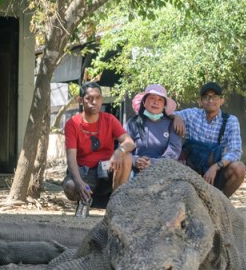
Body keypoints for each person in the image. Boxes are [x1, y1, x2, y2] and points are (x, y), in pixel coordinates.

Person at [62, 81, 135, 213]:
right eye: (89, 98)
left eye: (97, 98)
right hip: (84, 172)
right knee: (70, 186)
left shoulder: (110, 119)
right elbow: (71, 158)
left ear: (101, 99)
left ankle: (116, 204)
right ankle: (84, 201)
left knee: (127, 157)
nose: (94, 102)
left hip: (106, 169)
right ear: (80, 100)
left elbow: (130, 142)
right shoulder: (72, 123)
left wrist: (119, 151)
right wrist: (79, 182)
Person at [174, 81, 246, 197]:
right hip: (190, 169)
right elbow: (167, 114)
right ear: (200, 101)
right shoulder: (192, 114)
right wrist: (176, 117)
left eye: (215, 97)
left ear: (222, 100)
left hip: (215, 171)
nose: (210, 100)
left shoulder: (230, 121)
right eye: (206, 97)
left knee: (239, 168)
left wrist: (216, 167)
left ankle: (221, 202)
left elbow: (235, 151)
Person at [126, 84, 182, 172]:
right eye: (152, 98)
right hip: (135, 170)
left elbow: (173, 151)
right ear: (144, 102)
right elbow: (124, 149)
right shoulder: (132, 123)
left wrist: (154, 163)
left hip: (164, 170)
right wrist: (134, 160)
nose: (156, 102)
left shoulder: (171, 125)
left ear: (164, 106)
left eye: (160, 99)